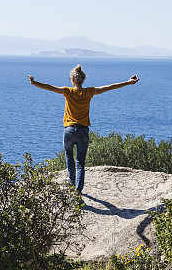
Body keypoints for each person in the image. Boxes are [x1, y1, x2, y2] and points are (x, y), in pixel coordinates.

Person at [28, 65, 139, 193]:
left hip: (69, 130)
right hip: (83, 131)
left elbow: (50, 87)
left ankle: (71, 184)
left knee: (69, 156)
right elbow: (109, 87)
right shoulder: (89, 92)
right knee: (80, 163)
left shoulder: (68, 91)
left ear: (72, 80)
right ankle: (78, 192)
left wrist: (34, 82)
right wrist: (128, 82)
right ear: (82, 79)